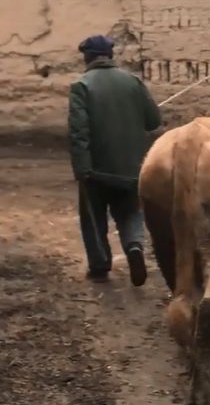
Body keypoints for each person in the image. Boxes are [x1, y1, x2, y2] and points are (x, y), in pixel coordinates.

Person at [68, 34, 162, 284]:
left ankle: (100, 265)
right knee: (131, 211)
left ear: (87, 57)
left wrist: (82, 168)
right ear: (110, 56)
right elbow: (153, 121)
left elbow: (79, 131)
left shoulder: (81, 86)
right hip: (133, 168)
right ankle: (134, 246)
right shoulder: (133, 82)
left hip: (96, 169)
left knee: (94, 216)